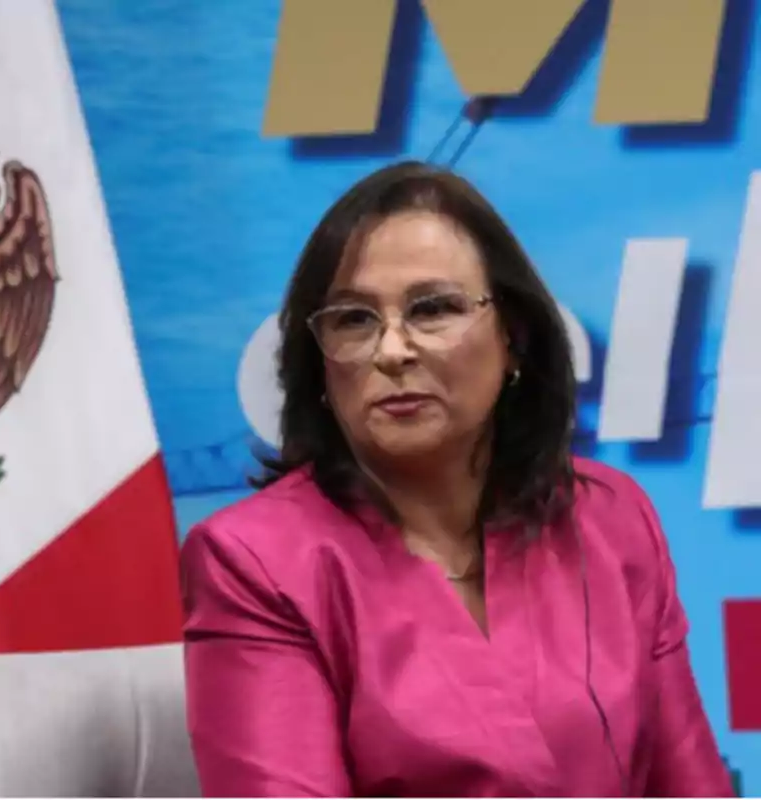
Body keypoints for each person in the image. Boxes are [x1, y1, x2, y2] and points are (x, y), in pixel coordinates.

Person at [180, 161, 732, 797]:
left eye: (433, 308)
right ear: (320, 363)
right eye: (354, 319)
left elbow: (694, 785)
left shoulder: (608, 518)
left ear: (514, 338)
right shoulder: (254, 560)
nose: (391, 351)